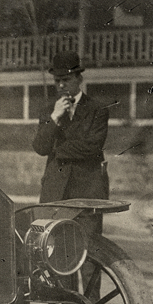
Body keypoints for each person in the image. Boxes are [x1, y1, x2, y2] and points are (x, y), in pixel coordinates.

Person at [32, 50, 109, 235]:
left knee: (88, 247)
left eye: (65, 80)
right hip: (54, 191)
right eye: (56, 80)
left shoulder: (97, 109)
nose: (60, 85)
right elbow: (41, 147)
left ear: (79, 79)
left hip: (87, 191)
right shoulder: (49, 110)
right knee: (51, 248)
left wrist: (57, 150)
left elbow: (92, 147)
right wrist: (55, 118)